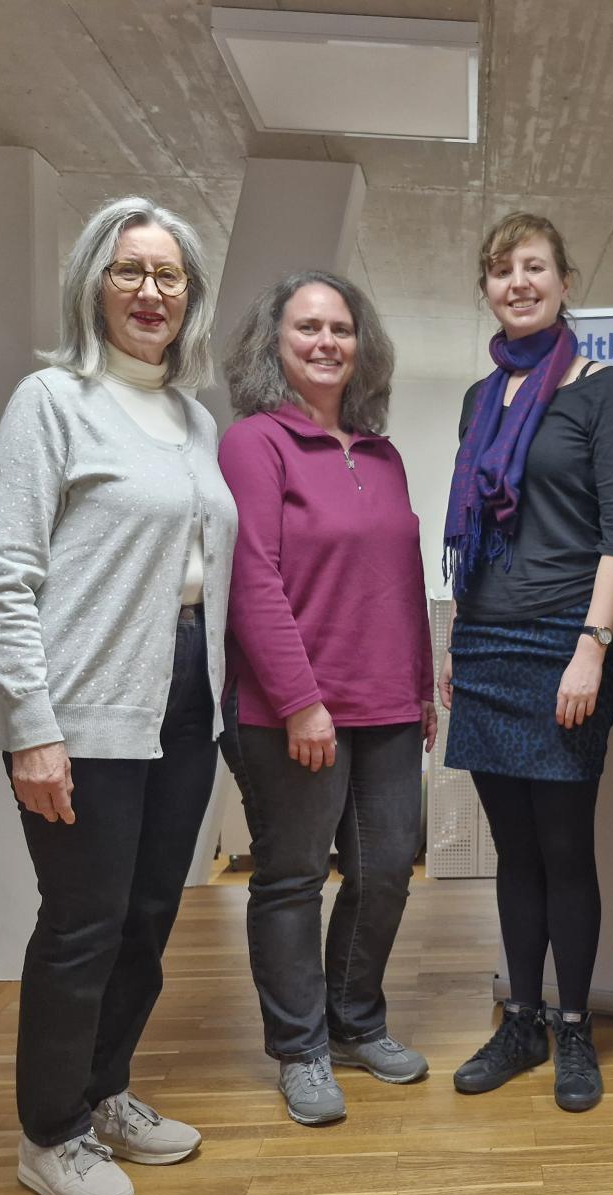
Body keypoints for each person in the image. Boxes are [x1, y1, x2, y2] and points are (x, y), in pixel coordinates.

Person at [0, 197, 236, 1195]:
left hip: (182, 699)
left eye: (168, 275)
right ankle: (50, 1132)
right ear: (93, 281)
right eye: (130, 270)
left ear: (189, 297)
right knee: (83, 921)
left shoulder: (193, 416)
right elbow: (8, 575)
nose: (150, 291)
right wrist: (31, 724)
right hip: (83, 704)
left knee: (149, 915)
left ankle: (104, 1089)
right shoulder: (53, 400)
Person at [219, 270, 436, 1127]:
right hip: (292, 711)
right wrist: (302, 700)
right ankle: (301, 1049)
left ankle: (356, 1023)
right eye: (306, 327)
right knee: (293, 879)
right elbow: (252, 581)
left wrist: (420, 689)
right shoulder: (255, 443)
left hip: (385, 705)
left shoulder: (381, 454)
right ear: (274, 343)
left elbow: (403, 579)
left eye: (341, 328)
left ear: (362, 345)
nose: (325, 342)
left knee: (386, 872)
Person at [439, 211, 613, 1112]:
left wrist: (591, 650)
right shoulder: (481, 400)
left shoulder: (602, 391)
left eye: (534, 267)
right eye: (500, 269)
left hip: (563, 646)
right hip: (484, 644)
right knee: (511, 853)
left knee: (564, 850)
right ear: (487, 287)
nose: (517, 282)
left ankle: (573, 1029)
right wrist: (456, 643)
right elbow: (476, 529)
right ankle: (520, 1018)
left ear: (565, 281)